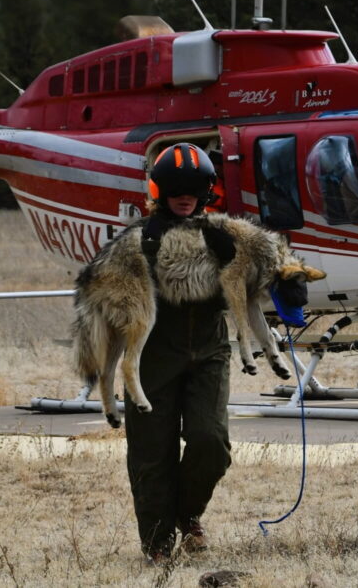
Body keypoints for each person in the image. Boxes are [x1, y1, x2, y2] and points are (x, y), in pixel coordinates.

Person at [128, 142, 235, 565]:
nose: (183, 194)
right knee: (153, 453)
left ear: (206, 191)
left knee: (211, 441)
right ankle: (157, 543)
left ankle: (187, 515)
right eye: (174, 185)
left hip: (210, 349)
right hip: (152, 356)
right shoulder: (138, 240)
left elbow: (258, 272)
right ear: (159, 188)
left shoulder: (225, 235)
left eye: (193, 186)